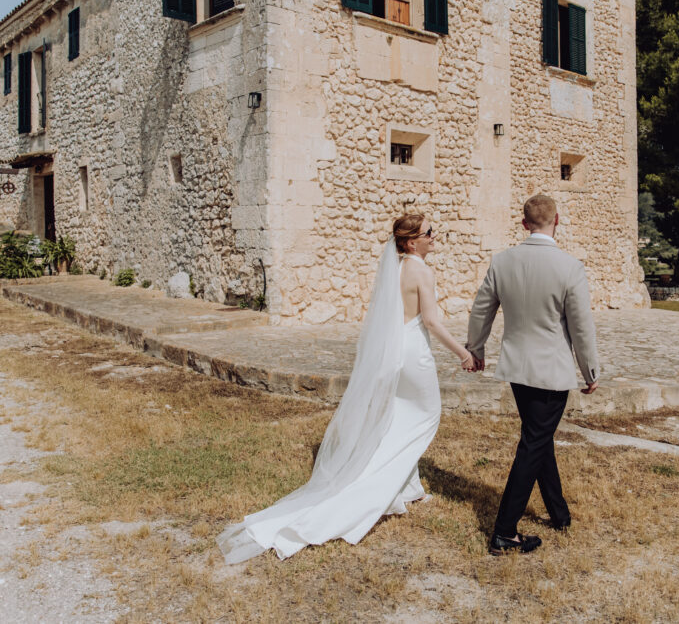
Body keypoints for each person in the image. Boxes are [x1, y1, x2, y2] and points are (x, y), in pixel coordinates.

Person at [217, 213, 476, 563]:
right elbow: (430, 320)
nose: (436, 236)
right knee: (425, 418)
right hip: (415, 353)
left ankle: (410, 487)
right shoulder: (421, 270)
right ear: (412, 242)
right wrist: (463, 353)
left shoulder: (396, 268)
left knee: (398, 418)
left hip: (394, 351)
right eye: (430, 233)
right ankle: (377, 487)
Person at [466, 194, 600, 556]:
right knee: (534, 442)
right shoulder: (570, 267)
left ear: (524, 223)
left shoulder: (502, 262)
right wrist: (590, 370)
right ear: (558, 220)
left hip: (516, 368)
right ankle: (504, 532)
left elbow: (481, 311)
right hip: (552, 372)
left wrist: (475, 348)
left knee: (539, 437)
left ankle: (559, 514)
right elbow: (582, 327)